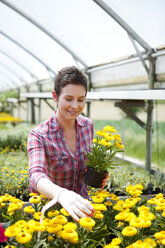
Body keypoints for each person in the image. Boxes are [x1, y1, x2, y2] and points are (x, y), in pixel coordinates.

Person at [28, 66, 95, 222]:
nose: (75, 106)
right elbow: (36, 174)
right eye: (68, 99)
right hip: (53, 215)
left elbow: (84, 167)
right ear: (55, 97)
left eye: (81, 99)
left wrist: (97, 174)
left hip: (82, 209)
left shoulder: (87, 126)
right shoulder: (39, 135)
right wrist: (61, 194)